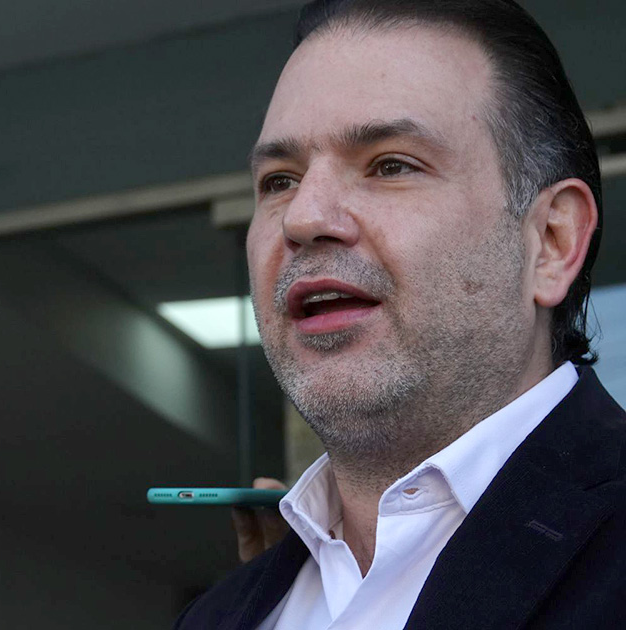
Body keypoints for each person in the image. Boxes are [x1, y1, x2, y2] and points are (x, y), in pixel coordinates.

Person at [176, 1, 624, 628]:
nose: (303, 217)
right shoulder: (216, 616)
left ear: (550, 241)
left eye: (390, 165)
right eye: (279, 180)